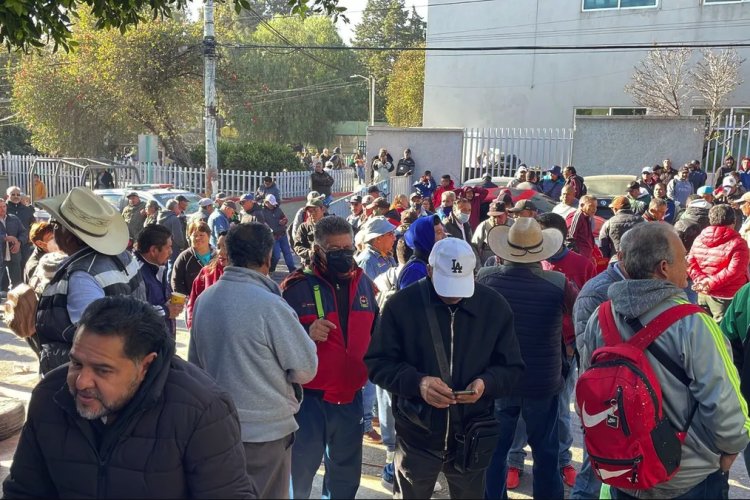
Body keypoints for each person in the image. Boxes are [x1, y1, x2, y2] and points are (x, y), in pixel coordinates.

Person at [2, 296, 255, 498]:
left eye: (103, 370)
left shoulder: (202, 410)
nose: (81, 382)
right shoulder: (50, 395)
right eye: (76, 363)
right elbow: (24, 490)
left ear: (145, 366)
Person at [578, 222, 750, 499]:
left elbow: (591, 380)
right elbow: (723, 400)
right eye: (683, 257)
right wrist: (730, 448)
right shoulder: (695, 323)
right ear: (663, 268)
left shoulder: (601, 317)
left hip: (624, 467)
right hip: (685, 473)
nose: (689, 266)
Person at [366, 237, 524, 499]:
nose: (452, 295)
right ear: (428, 271)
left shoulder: (494, 307)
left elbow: (513, 368)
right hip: (417, 434)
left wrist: (487, 383)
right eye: (445, 286)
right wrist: (418, 383)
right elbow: (378, 364)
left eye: (460, 287)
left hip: (473, 433)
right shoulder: (400, 305)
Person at [189, 222, 317, 499]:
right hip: (264, 434)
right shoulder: (270, 305)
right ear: (268, 258)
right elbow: (306, 369)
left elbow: (195, 367)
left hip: (215, 429)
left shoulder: (205, 299)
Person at [281, 216, 378, 499]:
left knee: (345, 479)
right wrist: (305, 331)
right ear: (318, 249)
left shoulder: (365, 285)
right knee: (298, 476)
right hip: (309, 401)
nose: (344, 256)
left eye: (348, 249)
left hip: (351, 399)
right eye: (335, 251)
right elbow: (275, 343)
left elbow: (378, 333)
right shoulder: (294, 288)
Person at [477, 218, 574, 499]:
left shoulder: (486, 278)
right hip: (543, 382)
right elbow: (578, 316)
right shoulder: (558, 283)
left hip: (499, 381)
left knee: (495, 452)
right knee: (546, 452)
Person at [34, 187, 146, 375]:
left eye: (55, 223)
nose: (52, 229)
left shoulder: (82, 275)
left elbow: (94, 341)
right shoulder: (122, 256)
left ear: (69, 236)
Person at [687, 204, 749, 323]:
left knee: (706, 328)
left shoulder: (699, 238)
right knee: (723, 335)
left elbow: (690, 263)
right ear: (734, 221)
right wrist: (708, 283)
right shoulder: (738, 243)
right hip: (726, 296)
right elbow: (735, 271)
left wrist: (703, 281)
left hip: (703, 293)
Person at [133, 224, 183, 339]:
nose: (171, 252)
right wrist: (166, 310)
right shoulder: (135, 273)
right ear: (154, 250)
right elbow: (135, 314)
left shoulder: (158, 265)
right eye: (168, 247)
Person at [186, 232, 227, 329]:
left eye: (226, 247)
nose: (221, 252)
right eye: (218, 246)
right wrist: (192, 326)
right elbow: (193, 303)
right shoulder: (207, 273)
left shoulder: (245, 276)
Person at [399, 215, 446, 289]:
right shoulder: (415, 270)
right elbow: (408, 299)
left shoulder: (432, 261)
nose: (444, 236)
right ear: (426, 237)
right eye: (439, 232)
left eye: (443, 231)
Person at [171, 219, 215, 297]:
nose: (198, 238)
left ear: (209, 236)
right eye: (195, 235)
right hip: (192, 303)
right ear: (189, 237)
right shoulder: (184, 257)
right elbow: (176, 281)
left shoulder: (217, 256)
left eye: (201, 235)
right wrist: (186, 300)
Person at [599, 196, 643, 261]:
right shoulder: (642, 221)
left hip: (616, 260)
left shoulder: (609, 222)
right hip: (637, 261)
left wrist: (609, 257)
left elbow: (602, 243)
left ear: (615, 209)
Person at [262, 194, 296, 273]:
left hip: (282, 234)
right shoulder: (262, 211)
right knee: (276, 255)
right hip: (273, 237)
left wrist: (284, 221)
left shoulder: (278, 209)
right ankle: (272, 269)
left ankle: (292, 269)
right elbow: (263, 222)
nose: (272, 205)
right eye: (271, 203)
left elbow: (284, 218)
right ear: (266, 202)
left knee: (287, 253)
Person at [355, 216, 397, 281]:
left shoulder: (387, 254)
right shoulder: (366, 261)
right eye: (390, 234)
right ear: (378, 238)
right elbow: (367, 289)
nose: (395, 238)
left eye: (393, 233)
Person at [0, 197, 28, 291]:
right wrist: (5, 238)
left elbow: (24, 233)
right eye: (0, 207)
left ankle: (16, 304)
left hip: (14, 255)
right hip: (1, 256)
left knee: (16, 285)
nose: (2, 209)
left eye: (4, 206)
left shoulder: (13, 218)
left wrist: (19, 242)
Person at [157, 199, 189, 272]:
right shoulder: (174, 219)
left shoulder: (161, 216)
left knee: (163, 264)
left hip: (161, 244)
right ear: (174, 208)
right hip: (173, 246)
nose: (180, 209)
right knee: (173, 264)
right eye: (178, 207)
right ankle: (170, 282)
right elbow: (177, 235)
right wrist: (182, 246)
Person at [293, 196, 326, 267]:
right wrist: (310, 253)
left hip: (327, 263)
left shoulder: (330, 225)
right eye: (309, 211)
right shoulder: (303, 227)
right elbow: (297, 246)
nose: (312, 213)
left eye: (315, 210)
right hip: (309, 264)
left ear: (322, 209)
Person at [565, 195, 597, 262]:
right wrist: (578, 258)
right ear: (582, 205)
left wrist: (590, 257)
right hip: (580, 258)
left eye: (596, 206)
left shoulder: (587, 217)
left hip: (586, 257)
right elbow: (569, 239)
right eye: (591, 206)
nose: (594, 209)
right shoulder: (577, 216)